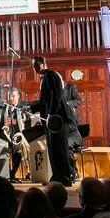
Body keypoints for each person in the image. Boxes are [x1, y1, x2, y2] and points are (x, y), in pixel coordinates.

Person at [29, 56, 73, 185]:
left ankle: (65, 177)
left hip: (58, 118)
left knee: (60, 147)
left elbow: (57, 95)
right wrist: (32, 107)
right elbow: (45, 101)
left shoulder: (51, 74)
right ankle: (57, 176)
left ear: (43, 64)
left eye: (36, 65)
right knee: (53, 148)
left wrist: (51, 114)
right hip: (52, 119)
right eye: (33, 66)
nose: (34, 68)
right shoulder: (44, 77)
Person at [63, 80, 83, 177]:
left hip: (73, 136)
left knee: (65, 145)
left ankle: (72, 172)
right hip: (65, 135)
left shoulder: (71, 112)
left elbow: (78, 100)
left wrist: (66, 105)